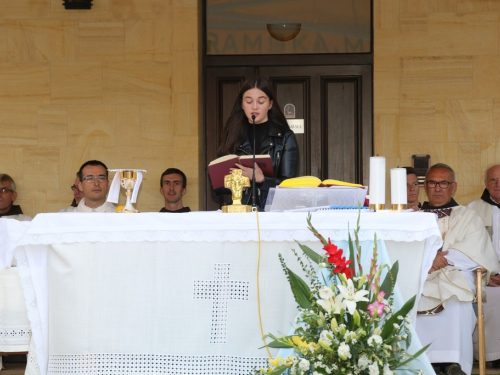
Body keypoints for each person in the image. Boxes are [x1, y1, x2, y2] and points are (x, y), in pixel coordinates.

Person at [416, 163, 498, 375]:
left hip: (455, 273)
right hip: (419, 274)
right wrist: (426, 261)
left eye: (443, 183)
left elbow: (475, 248)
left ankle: (453, 362)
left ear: (453, 187)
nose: (438, 188)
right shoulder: (413, 217)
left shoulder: (467, 215)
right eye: (432, 182)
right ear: (426, 186)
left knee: (456, 300)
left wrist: (440, 260)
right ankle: (419, 362)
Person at [216, 76, 298, 210]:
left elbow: (290, 186)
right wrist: (235, 179)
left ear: (270, 104)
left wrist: (263, 179)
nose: (254, 107)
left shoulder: (284, 137)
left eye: (261, 101)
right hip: (239, 212)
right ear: (242, 104)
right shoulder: (231, 135)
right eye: (249, 101)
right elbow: (218, 188)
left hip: (272, 213)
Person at [468, 164, 500, 366]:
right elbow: (467, 248)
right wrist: (487, 276)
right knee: (492, 298)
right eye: (493, 180)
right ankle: (492, 356)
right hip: (487, 276)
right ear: (486, 184)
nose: (498, 184)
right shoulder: (473, 210)